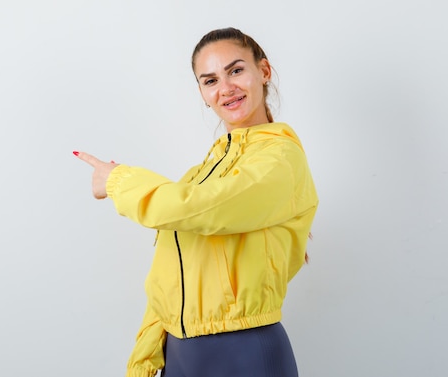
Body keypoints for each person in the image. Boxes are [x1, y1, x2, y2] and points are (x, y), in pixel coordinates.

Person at [74, 27, 318, 377]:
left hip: (245, 351)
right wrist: (143, 362)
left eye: (236, 70)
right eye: (210, 80)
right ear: (203, 93)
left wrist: (117, 180)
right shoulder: (201, 173)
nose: (226, 88)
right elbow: (168, 276)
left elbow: (194, 207)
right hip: (182, 356)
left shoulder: (279, 159)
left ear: (263, 72)